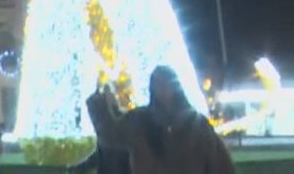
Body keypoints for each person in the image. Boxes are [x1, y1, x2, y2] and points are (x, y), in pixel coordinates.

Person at [86, 65, 234, 174]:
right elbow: (112, 136)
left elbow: (218, 163)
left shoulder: (196, 123)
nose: (163, 88)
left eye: (166, 83)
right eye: (158, 84)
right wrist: (99, 107)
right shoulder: (139, 119)